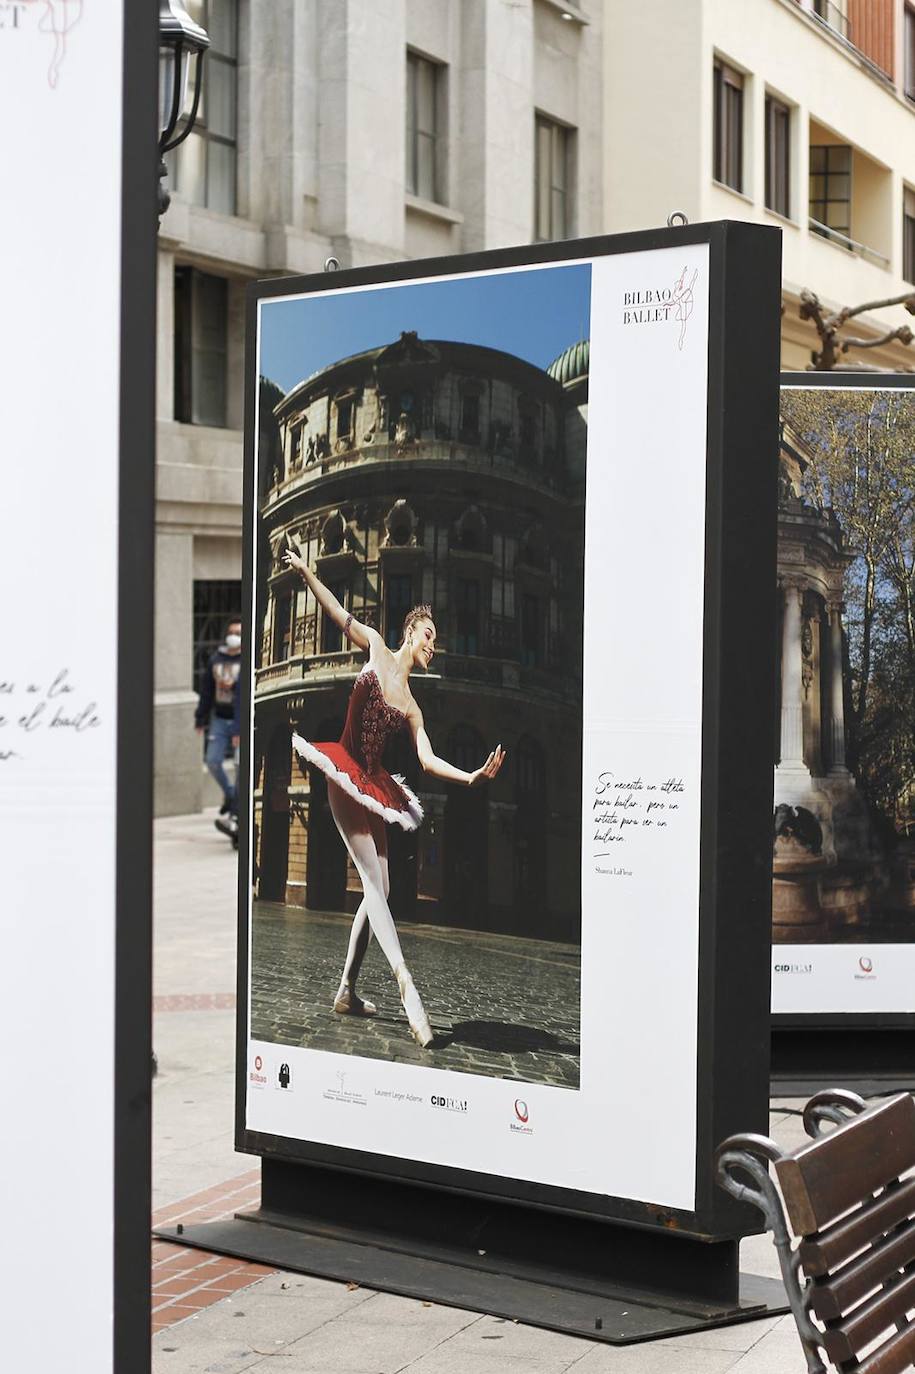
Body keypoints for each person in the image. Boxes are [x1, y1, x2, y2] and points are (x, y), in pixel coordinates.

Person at [283, 548, 505, 1048]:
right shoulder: (377, 648)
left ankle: (346, 990)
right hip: (344, 774)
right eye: (430, 636)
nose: (434, 645)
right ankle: (407, 988)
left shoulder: (413, 706)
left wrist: (470, 777)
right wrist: (305, 571)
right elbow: (338, 611)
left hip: (375, 784)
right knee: (374, 886)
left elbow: (426, 760)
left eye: (436, 641)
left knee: (378, 887)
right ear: (410, 634)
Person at [196, 618, 242, 830]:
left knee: (240, 765)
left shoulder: (246, 659)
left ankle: (236, 812)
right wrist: (200, 717)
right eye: (232, 631)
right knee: (213, 761)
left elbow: (243, 695)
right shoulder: (216, 659)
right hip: (219, 718)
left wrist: (238, 729)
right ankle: (232, 796)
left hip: (239, 719)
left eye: (239, 633)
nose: (234, 636)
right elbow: (206, 690)